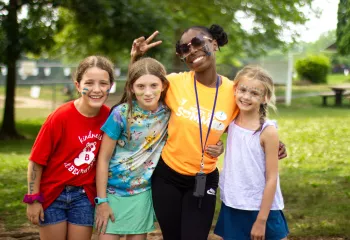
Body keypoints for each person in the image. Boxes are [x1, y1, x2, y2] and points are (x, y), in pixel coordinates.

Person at [131, 25, 287, 240]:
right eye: (184, 48)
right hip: (167, 177)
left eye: (196, 42)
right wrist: (136, 59)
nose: (191, 50)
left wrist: (274, 143)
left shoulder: (234, 92)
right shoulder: (174, 83)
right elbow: (137, 95)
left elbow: (251, 122)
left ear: (214, 43)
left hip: (204, 179)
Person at [24, 56, 114, 240]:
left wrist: (134, 58)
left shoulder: (110, 117)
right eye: (89, 83)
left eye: (103, 83)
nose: (96, 89)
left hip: (83, 196)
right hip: (53, 195)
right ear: (78, 86)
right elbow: (36, 162)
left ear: (110, 86)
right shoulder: (60, 117)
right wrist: (33, 198)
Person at [94, 57, 171, 240]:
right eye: (140, 86)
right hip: (111, 192)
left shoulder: (169, 113)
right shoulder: (120, 114)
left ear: (164, 85)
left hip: (141, 193)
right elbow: (103, 159)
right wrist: (102, 201)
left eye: (154, 85)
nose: (148, 92)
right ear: (131, 88)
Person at [214, 65, 289, 240]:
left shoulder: (267, 131)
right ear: (235, 90)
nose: (246, 97)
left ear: (265, 98)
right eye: (242, 90)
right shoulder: (230, 122)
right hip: (234, 204)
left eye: (254, 93)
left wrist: (261, 220)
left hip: (264, 209)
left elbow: (272, 178)